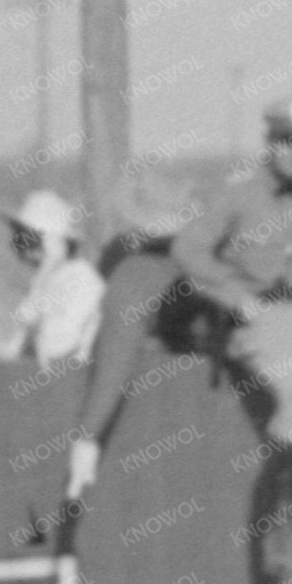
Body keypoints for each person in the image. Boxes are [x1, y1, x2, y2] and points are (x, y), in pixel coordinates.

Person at [173, 96, 292, 583]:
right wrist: (234, 298)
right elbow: (188, 250)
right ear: (270, 142)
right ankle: (280, 524)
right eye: (288, 141)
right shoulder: (238, 193)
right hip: (266, 312)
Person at [63, 171, 217, 509]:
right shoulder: (222, 264)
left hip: (155, 451)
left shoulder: (134, 275)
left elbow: (114, 359)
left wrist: (87, 436)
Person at [0, 188, 103, 371]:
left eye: (29, 239)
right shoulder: (46, 282)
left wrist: (49, 263)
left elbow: (58, 349)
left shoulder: (83, 280)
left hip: (71, 385)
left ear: (55, 241)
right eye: (18, 239)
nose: (22, 248)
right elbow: (8, 350)